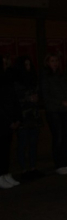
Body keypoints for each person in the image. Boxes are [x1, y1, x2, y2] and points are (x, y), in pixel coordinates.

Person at [40, 53, 67, 175]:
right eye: (52, 61)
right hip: (54, 111)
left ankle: (66, 162)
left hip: (64, 110)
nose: (55, 63)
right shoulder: (45, 76)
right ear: (47, 63)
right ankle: (59, 164)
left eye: (56, 60)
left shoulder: (62, 75)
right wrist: (61, 103)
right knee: (58, 137)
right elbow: (46, 96)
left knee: (66, 137)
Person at [12, 56, 43, 176]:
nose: (28, 67)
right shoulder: (16, 82)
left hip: (34, 116)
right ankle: (24, 169)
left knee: (33, 143)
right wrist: (27, 98)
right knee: (23, 143)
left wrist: (37, 98)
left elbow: (39, 93)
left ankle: (33, 167)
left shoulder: (33, 79)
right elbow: (14, 99)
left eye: (29, 64)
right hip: (23, 117)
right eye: (25, 65)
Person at [0, 54, 22, 188]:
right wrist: (9, 120)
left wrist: (17, 118)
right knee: (1, 149)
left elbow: (14, 99)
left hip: (9, 119)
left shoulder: (7, 77)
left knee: (6, 149)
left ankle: (5, 173)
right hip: (3, 120)